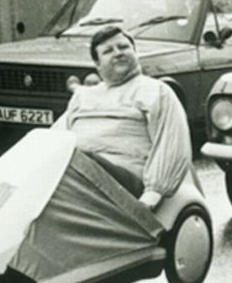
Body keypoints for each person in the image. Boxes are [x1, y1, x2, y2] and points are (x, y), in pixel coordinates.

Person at [53, 25, 191, 210]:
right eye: (108, 51)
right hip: (79, 175)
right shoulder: (83, 96)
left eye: (123, 47)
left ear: (135, 52)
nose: (118, 53)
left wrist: (153, 193)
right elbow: (53, 139)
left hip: (124, 180)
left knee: (79, 161)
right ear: (97, 64)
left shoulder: (155, 91)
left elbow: (172, 143)